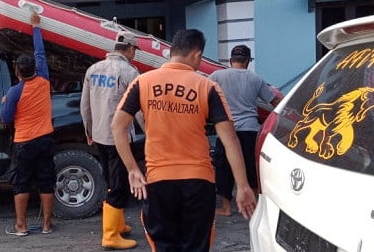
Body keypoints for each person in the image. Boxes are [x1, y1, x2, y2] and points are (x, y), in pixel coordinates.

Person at [111, 29, 256, 251]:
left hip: (159, 182)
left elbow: (117, 127)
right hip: (199, 183)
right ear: (197, 55)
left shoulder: (143, 82)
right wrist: (243, 186)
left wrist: (133, 169)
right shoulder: (207, 87)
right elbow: (230, 139)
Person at [80, 31, 140, 249]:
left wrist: (88, 129)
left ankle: (118, 223)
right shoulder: (129, 72)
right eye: (135, 50)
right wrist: (150, 131)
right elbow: (138, 106)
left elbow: (85, 104)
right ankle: (110, 235)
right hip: (120, 138)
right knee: (119, 184)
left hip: (99, 135)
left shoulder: (93, 69)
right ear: (130, 49)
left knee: (110, 179)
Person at [209, 45, 281, 216]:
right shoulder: (256, 78)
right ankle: (253, 206)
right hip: (250, 129)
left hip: (226, 129)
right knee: (250, 166)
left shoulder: (218, 75)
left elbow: (203, 91)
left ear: (230, 60)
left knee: (223, 167)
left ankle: (226, 208)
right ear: (248, 61)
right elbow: (274, 101)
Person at [1, 11, 55, 237]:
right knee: (45, 182)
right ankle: (46, 225)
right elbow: (40, 52)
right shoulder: (43, 79)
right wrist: (35, 27)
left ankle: (21, 226)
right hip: (45, 139)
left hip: (24, 143)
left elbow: (6, 118)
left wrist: (4, 101)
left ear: (17, 72)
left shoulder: (14, 92)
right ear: (33, 68)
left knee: (21, 184)